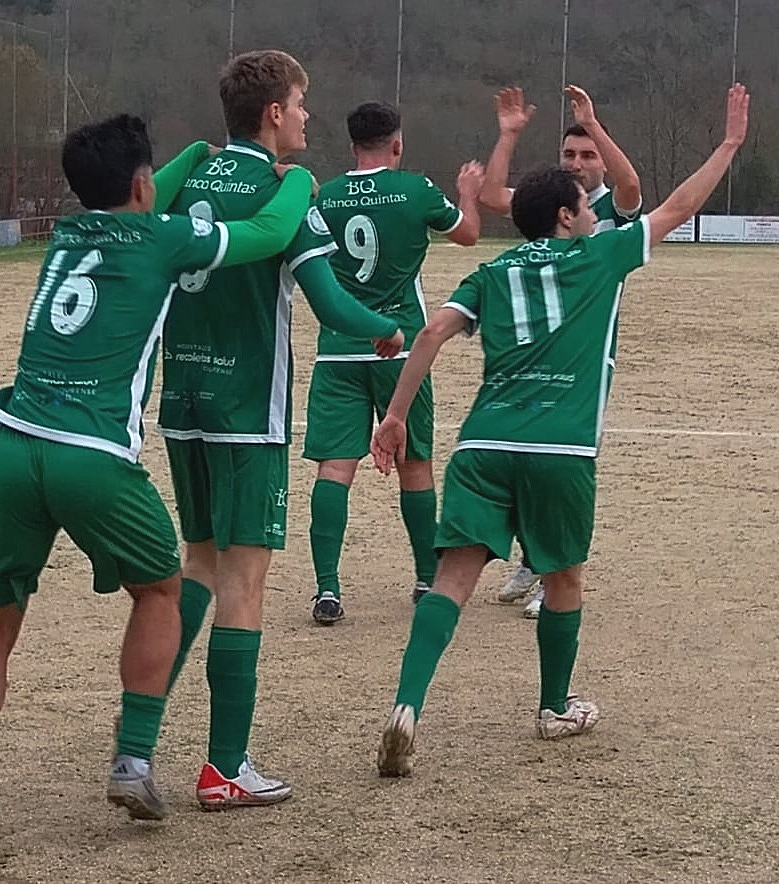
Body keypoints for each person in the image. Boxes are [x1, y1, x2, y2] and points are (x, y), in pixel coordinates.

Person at [0, 113, 316, 847]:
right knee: (163, 589)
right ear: (142, 184)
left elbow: (138, 192)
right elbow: (267, 233)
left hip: (13, 443)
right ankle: (134, 758)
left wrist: (181, 163)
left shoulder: (69, 234)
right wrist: (296, 180)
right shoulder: (163, 237)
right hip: (93, 453)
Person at [370, 84, 749, 777]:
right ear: (573, 216)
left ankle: (407, 704)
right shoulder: (599, 257)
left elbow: (429, 332)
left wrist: (394, 416)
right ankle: (553, 707)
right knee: (564, 580)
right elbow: (680, 206)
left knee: (453, 579)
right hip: (559, 450)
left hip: (483, 446)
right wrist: (726, 144)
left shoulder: (490, 271)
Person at [156, 51, 404, 809]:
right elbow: (333, 309)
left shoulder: (189, 176)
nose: (305, 115)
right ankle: (225, 767)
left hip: (183, 404)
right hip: (244, 411)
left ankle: (135, 743)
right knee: (245, 582)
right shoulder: (286, 192)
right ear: (272, 113)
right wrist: (388, 331)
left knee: (195, 566)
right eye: (299, 103)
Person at [303, 101, 484, 625]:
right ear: (397, 143)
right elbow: (468, 233)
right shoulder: (417, 190)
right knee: (416, 464)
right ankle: (427, 578)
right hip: (402, 349)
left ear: (352, 144)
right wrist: (468, 195)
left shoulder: (327, 195)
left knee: (335, 468)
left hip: (338, 348)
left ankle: (327, 588)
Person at [479, 85, 644, 619]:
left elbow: (632, 184)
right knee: (531, 458)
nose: (577, 162)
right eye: (570, 154)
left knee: (571, 465)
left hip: (588, 360)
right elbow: (491, 196)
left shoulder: (607, 211)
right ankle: (534, 559)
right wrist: (508, 136)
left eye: (587, 154)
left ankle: (557, 577)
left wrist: (593, 124)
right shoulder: (551, 204)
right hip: (536, 359)